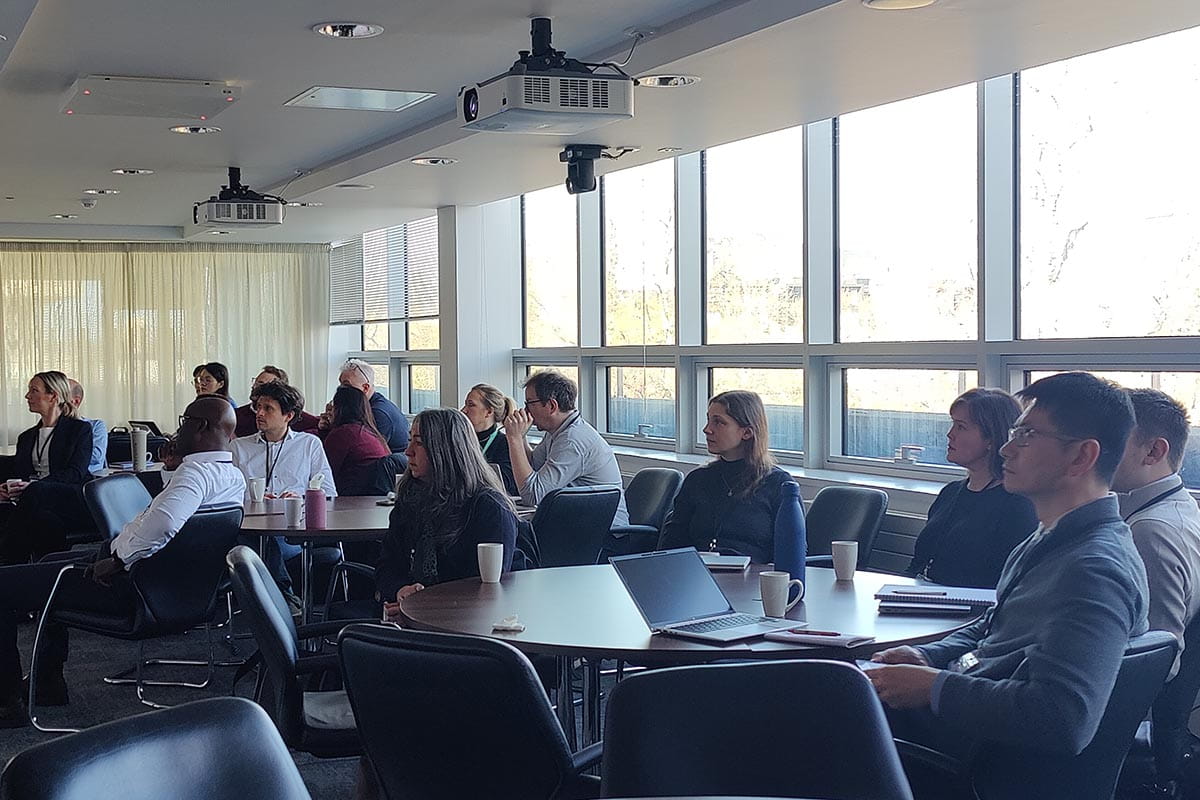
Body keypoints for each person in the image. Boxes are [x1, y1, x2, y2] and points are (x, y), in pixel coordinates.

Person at [866, 372, 1149, 791]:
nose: (1006, 448)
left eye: (1027, 434)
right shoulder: (1050, 537)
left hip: (971, 760)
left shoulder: (1093, 569)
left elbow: (1063, 718)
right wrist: (927, 656)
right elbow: (992, 626)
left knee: (805, 711)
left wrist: (935, 687)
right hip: (960, 725)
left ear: (1081, 457)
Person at [0, 395, 245, 727]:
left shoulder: (195, 474)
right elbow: (177, 517)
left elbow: (165, 524)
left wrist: (117, 559)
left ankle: (7, 703)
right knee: (53, 560)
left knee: (5, 585)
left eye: (184, 421)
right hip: (172, 590)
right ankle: (47, 682)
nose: (178, 430)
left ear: (200, 426)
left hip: (129, 587)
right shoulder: (231, 476)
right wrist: (170, 469)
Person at [378, 409, 518, 621]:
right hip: (411, 618)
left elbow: (486, 589)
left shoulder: (488, 508)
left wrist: (424, 604)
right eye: (409, 441)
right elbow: (387, 564)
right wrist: (400, 590)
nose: (408, 451)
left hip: (466, 625)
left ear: (444, 450)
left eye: (419, 443)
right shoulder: (411, 498)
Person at [906, 388, 1038, 589]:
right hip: (920, 595)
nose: (950, 434)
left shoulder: (1018, 504)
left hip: (972, 605)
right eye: (953, 424)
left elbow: (1009, 582)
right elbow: (918, 563)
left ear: (991, 439)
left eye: (961, 427)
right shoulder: (950, 492)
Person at [1111, 387, 1200, 675]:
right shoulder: (1182, 505)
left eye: (1112, 439)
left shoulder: (1150, 532)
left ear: (1154, 451)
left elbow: (1158, 661)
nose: (1095, 451)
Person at [230, 380, 336, 610]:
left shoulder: (309, 444)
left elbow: (329, 493)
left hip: (293, 531)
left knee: (267, 542)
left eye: (268, 408)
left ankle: (278, 604)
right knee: (259, 539)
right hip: (251, 529)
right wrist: (253, 499)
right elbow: (228, 496)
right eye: (258, 407)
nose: (259, 413)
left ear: (288, 415)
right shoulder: (238, 448)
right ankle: (285, 597)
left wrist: (300, 497)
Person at [657, 391, 792, 564]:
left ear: (747, 432)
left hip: (753, 577)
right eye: (708, 420)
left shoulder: (778, 484)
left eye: (719, 422)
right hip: (698, 574)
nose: (707, 429)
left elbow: (792, 552)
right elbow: (671, 544)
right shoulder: (698, 480)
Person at [504, 370, 629, 526]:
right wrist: (521, 436)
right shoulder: (557, 432)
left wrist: (514, 439)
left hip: (603, 533)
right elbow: (533, 468)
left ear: (551, 406)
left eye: (529, 403)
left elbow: (533, 496)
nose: (525, 411)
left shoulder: (572, 441)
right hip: (578, 524)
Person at [0, 371, 94, 564]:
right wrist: (7, 488)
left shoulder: (79, 430)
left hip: (69, 499)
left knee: (35, 494)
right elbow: (19, 472)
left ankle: (7, 563)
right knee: (42, 521)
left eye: (34, 391)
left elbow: (75, 473)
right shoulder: (26, 437)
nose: (27, 396)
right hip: (35, 503)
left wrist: (35, 486)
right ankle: (19, 570)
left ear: (53, 396)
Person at [322, 359, 409, 453]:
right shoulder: (364, 406)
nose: (341, 390)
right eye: (341, 384)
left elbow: (365, 449)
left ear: (365, 388)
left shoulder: (378, 413)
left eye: (346, 385)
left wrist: (335, 424)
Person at [323, 386, 391, 496]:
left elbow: (325, 474)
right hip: (375, 497)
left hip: (351, 498)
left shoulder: (343, 434)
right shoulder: (371, 433)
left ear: (339, 409)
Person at [461, 383, 517, 495]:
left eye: (471, 405)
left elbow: (505, 484)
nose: (463, 410)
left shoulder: (505, 444)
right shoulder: (460, 440)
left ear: (489, 412)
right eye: (465, 405)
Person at [234, 365, 320, 437]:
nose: (257, 387)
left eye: (265, 385)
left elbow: (318, 426)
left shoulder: (293, 415)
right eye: (257, 383)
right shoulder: (235, 415)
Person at [67, 378, 107, 476]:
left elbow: (96, 457)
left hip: (89, 479)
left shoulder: (96, 426)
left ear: (75, 401)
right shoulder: (48, 428)